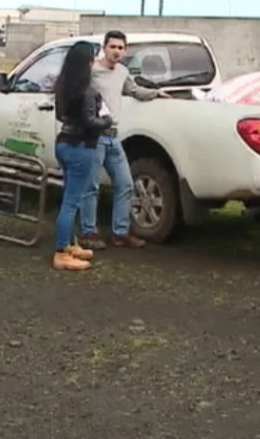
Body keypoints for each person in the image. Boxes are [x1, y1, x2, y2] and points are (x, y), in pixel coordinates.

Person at [79, 30, 171, 249]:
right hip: (95, 135)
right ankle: (89, 232)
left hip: (113, 137)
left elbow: (134, 90)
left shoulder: (122, 72)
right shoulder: (92, 71)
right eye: (112, 47)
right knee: (91, 186)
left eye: (120, 48)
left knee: (126, 183)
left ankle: (120, 233)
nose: (116, 51)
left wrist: (156, 93)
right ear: (104, 48)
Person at [51, 41, 115, 271]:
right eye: (93, 58)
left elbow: (61, 116)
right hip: (81, 146)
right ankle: (61, 252)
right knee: (71, 202)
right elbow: (90, 122)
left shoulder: (63, 85)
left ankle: (69, 244)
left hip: (64, 143)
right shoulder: (86, 90)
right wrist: (107, 121)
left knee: (69, 198)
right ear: (88, 62)